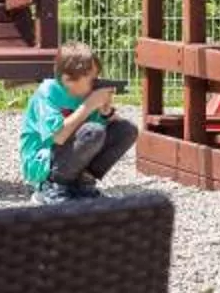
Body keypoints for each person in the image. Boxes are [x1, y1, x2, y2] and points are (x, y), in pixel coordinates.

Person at [21, 41, 139, 202]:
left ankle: (83, 184)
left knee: (126, 130)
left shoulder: (84, 93)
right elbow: (58, 136)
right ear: (68, 79)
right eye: (92, 80)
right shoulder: (48, 93)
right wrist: (89, 105)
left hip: (71, 153)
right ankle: (53, 186)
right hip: (43, 160)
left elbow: (98, 133)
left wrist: (106, 114)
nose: (96, 83)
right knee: (92, 131)